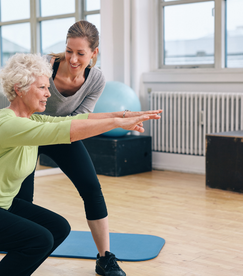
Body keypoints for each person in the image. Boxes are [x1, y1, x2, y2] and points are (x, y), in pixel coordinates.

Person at [0, 53, 161, 276]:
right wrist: (117, 123)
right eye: (42, 87)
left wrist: (125, 114)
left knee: (58, 228)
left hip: (0, 204)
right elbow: (65, 131)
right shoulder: (8, 125)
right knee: (39, 239)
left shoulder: (31, 119)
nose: (49, 93)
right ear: (20, 88)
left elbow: (74, 121)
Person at [15, 20, 163, 276]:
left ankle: (105, 258)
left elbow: (80, 120)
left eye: (80, 53)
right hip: (31, 132)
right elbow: (19, 103)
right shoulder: (44, 67)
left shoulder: (95, 79)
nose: (73, 59)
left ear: (94, 53)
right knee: (23, 199)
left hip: (64, 134)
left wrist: (118, 118)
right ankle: (19, 251)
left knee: (92, 188)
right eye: (69, 50)